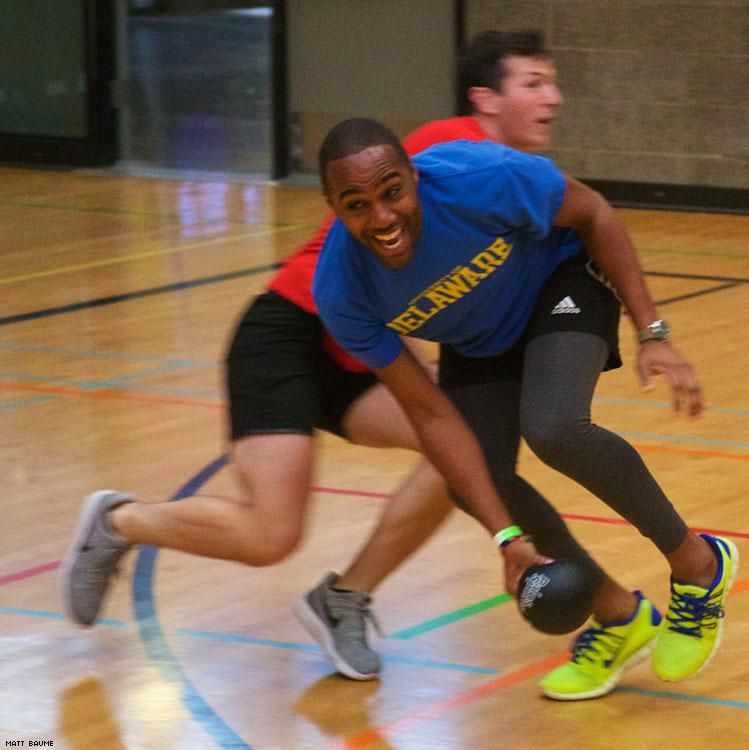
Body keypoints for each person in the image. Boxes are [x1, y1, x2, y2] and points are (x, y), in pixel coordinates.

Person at [59, 30, 562, 681]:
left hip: (360, 353)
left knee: (461, 453)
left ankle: (343, 599)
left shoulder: (504, 179)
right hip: (288, 334)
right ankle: (119, 521)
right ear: (486, 100)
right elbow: (387, 262)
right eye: (532, 83)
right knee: (271, 536)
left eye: (550, 82)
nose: (551, 97)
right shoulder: (454, 149)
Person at [312, 118, 739, 701]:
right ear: (332, 207)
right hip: (478, 338)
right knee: (472, 482)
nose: (381, 217)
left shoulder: (479, 177)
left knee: (555, 426)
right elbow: (431, 414)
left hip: (559, 280)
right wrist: (506, 536)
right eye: (356, 205)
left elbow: (595, 214)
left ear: (415, 176)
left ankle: (698, 566)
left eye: (392, 192)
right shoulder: (342, 290)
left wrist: (653, 331)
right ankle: (619, 621)